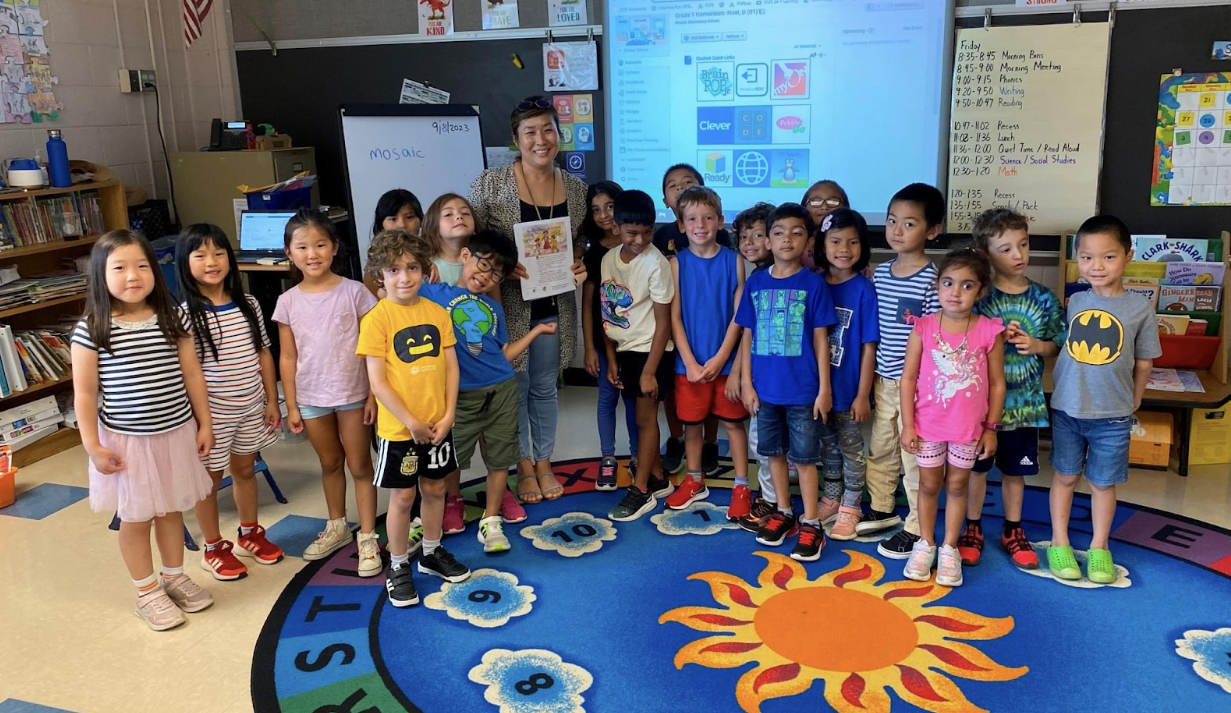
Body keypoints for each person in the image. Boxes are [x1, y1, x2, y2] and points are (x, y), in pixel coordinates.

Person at [71, 230, 215, 631]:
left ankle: (173, 576)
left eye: (141, 266)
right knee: (135, 517)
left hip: (175, 432)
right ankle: (146, 590)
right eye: (119, 268)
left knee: (171, 509)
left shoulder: (174, 316)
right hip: (127, 443)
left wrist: (204, 422)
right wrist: (92, 446)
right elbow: (84, 395)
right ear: (101, 276)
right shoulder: (92, 328)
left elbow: (192, 373)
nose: (132, 276)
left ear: (155, 270)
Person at [469, 95, 588, 506]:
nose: (541, 140)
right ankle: (521, 464)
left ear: (559, 133)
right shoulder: (489, 184)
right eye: (530, 132)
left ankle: (545, 462)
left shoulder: (576, 188)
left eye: (548, 129)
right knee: (514, 388)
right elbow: (474, 243)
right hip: (508, 304)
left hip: (554, 303)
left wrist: (578, 261)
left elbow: (578, 241)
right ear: (516, 139)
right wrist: (504, 262)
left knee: (545, 387)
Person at [421, 229, 558, 550]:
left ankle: (491, 520)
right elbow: (397, 292)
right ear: (466, 256)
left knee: (500, 459)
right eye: (484, 266)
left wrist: (536, 331)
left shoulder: (494, 310)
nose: (486, 276)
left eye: (496, 273)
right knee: (450, 459)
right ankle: (438, 511)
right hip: (460, 395)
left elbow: (503, 353)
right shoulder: (434, 293)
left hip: (502, 389)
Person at [358, 230, 468, 608]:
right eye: (393, 270)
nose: (404, 277)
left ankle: (432, 553)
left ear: (425, 270)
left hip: (438, 424)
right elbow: (378, 382)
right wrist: (410, 422)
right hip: (398, 431)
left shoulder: (438, 313)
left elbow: (451, 368)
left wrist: (449, 413)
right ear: (379, 274)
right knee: (403, 497)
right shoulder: (377, 319)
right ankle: (399, 564)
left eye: (412, 268)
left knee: (436, 489)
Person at [1048, 216, 1160, 584]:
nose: (1096, 266)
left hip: (1112, 414)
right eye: (1087, 258)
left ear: (1128, 256)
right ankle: (1060, 542)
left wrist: (1135, 400)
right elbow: (1066, 348)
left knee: (1102, 483)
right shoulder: (1077, 299)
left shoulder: (1140, 309)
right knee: (1064, 477)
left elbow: (1144, 362)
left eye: (1108, 257)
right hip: (1067, 408)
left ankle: (1099, 547)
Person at [273, 210, 382, 577]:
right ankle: (337, 525)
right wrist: (291, 403)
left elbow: (372, 350)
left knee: (359, 465)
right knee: (329, 463)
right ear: (289, 253)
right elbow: (287, 357)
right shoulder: (287, 301)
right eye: (302, 246)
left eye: (320, 244)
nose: (312, 253)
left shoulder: (355, 292)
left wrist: (372, 394)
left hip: (353, 393)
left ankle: (367, 535)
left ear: (334, 248)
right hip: (311, 396)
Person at [176, 224, 282, 581]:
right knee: (208, 481)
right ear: (184, 263)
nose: (212, 261)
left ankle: (249, 532)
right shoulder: (186, 315)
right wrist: (202, 421)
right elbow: (187, 374)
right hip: (212, 414)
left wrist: (272, 399)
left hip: (251, 406)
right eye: (201, 255)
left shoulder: (248, 304)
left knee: (245, 471)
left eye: (219, 253)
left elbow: (263, 353)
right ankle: (212, 546)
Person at [736, 203, 837, 561]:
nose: (786, 239)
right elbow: (747, 335)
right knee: (772, 453)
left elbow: (821, 339)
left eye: (796, 232)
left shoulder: (814, 284)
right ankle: (783, 510)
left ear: (809, 240)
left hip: (803, 391)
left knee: (806, 459)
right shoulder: (756, 283)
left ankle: (812, 523)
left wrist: (824, 389)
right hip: (765, 391)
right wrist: (747, 384)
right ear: (767, 239)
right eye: (778, 233)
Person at [964, 209, 1064, 569]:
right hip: (979, 407)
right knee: (976, 470)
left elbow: (1058, 341)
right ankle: (972, 527)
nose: (1019, 255)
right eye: (1005, 249)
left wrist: (1038, 346)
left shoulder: (1043, 298)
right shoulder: (978, 297)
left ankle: (1012, 528)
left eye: (1023, 244)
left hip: (1024, 406)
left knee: (1015, 472)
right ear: (985, 253)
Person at [900, 249, 1006, 587]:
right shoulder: (924, 327)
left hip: (967, 430)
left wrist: (991, 429)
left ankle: (949, 547)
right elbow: (908, 378)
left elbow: (997, 383)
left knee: (958, 485)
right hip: (927, 425)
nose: (955, 293)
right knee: (929, 485)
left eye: (966, 285)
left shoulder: (989, 331)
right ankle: (925, 542)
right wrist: (908, 424)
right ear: (937, 285)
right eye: (948, 283)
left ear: (981, 291)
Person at [864, 183, 944, 559]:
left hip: (917, 386)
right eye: (892, 221)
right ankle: (882, 507)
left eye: (909, 224)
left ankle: (915, 525)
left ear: (932, 231)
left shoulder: (933, 280)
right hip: (884, 379)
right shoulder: (880, 274)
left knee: (914, 455)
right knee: (881, 447)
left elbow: (935, 338)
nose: (896, 231)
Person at [667, 186, 750, 518]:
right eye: (692, 219)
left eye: (707, 217)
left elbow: (738, 318)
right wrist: (689, 361)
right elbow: (673, 318)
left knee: (732, 425)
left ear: (720, 221)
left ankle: (742, 484)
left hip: (726, 364)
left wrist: (719, 360)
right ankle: (694, 479)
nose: (700, 224)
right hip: (689, 365)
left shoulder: (736, 262)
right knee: (692, 426)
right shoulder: (675, 264)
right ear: (682, 225)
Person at [600, 190, 677, 521]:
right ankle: (659, 478)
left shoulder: (657, 264)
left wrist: (649, 371)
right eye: (632, 233)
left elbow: (664, 324)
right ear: (616, 227)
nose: (641, 239)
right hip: (626, 350)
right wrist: (613, 358)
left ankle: (641, 489)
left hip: (651, 352)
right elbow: (608, 312)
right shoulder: (608, 260)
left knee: (645, 422)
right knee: (638, 419)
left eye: (648, 232)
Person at [653, 163, 728, 476]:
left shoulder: (723, 240)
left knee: (708, 383)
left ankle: (710, 441)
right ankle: (676, 437)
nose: (681, 188)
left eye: (688, 182)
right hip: (671, 326)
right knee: (674, 388)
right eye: (673, 185)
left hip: (708, 327)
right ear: (667, 200)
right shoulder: (663, 235)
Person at [814, 209, 878, 541]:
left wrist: (862, 394)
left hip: (849, 389)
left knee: (852, 449)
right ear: (822, 245)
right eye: (836, 241)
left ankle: (851, 506)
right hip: (817, 390)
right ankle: (831, 496)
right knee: (827, 448)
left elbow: (869, 346)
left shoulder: (864, 289)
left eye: (853, 242)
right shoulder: (814, 284)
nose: (844, 248)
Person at [581, 181, 640, 490]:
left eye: (609, 206)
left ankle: (636, 455)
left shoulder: (638, 243)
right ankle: (607, 458)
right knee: (607, 397)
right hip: (604, 341)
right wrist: (589, 348)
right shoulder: (594, 254)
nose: (604, 215)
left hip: (634, 341)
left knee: (632, 400)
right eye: (595, 210)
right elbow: (588, 302)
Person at [732, 202, 786, 532]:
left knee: (782, 443)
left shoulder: (792, 276)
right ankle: (770, 495)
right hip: (761, 376)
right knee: (761, 441)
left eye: (758, 234)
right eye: (743, 236)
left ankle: (780, 499)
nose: (750, 242)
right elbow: (747, 332)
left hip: (787, 376)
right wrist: (742, 375)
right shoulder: (755, 279)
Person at [422, 193, 476, 288]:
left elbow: (495, 302)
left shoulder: (484, 263)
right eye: (448, 214)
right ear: (434, 226)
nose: (459, 216)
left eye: (465, 213)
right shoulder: (426, 267)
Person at [801, 179, 850, 269]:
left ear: (845, 207)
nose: (824, 207)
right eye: (816, 201)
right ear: (804, 207)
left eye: (833, 202)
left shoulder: (853, 245)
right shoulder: (797, 242)